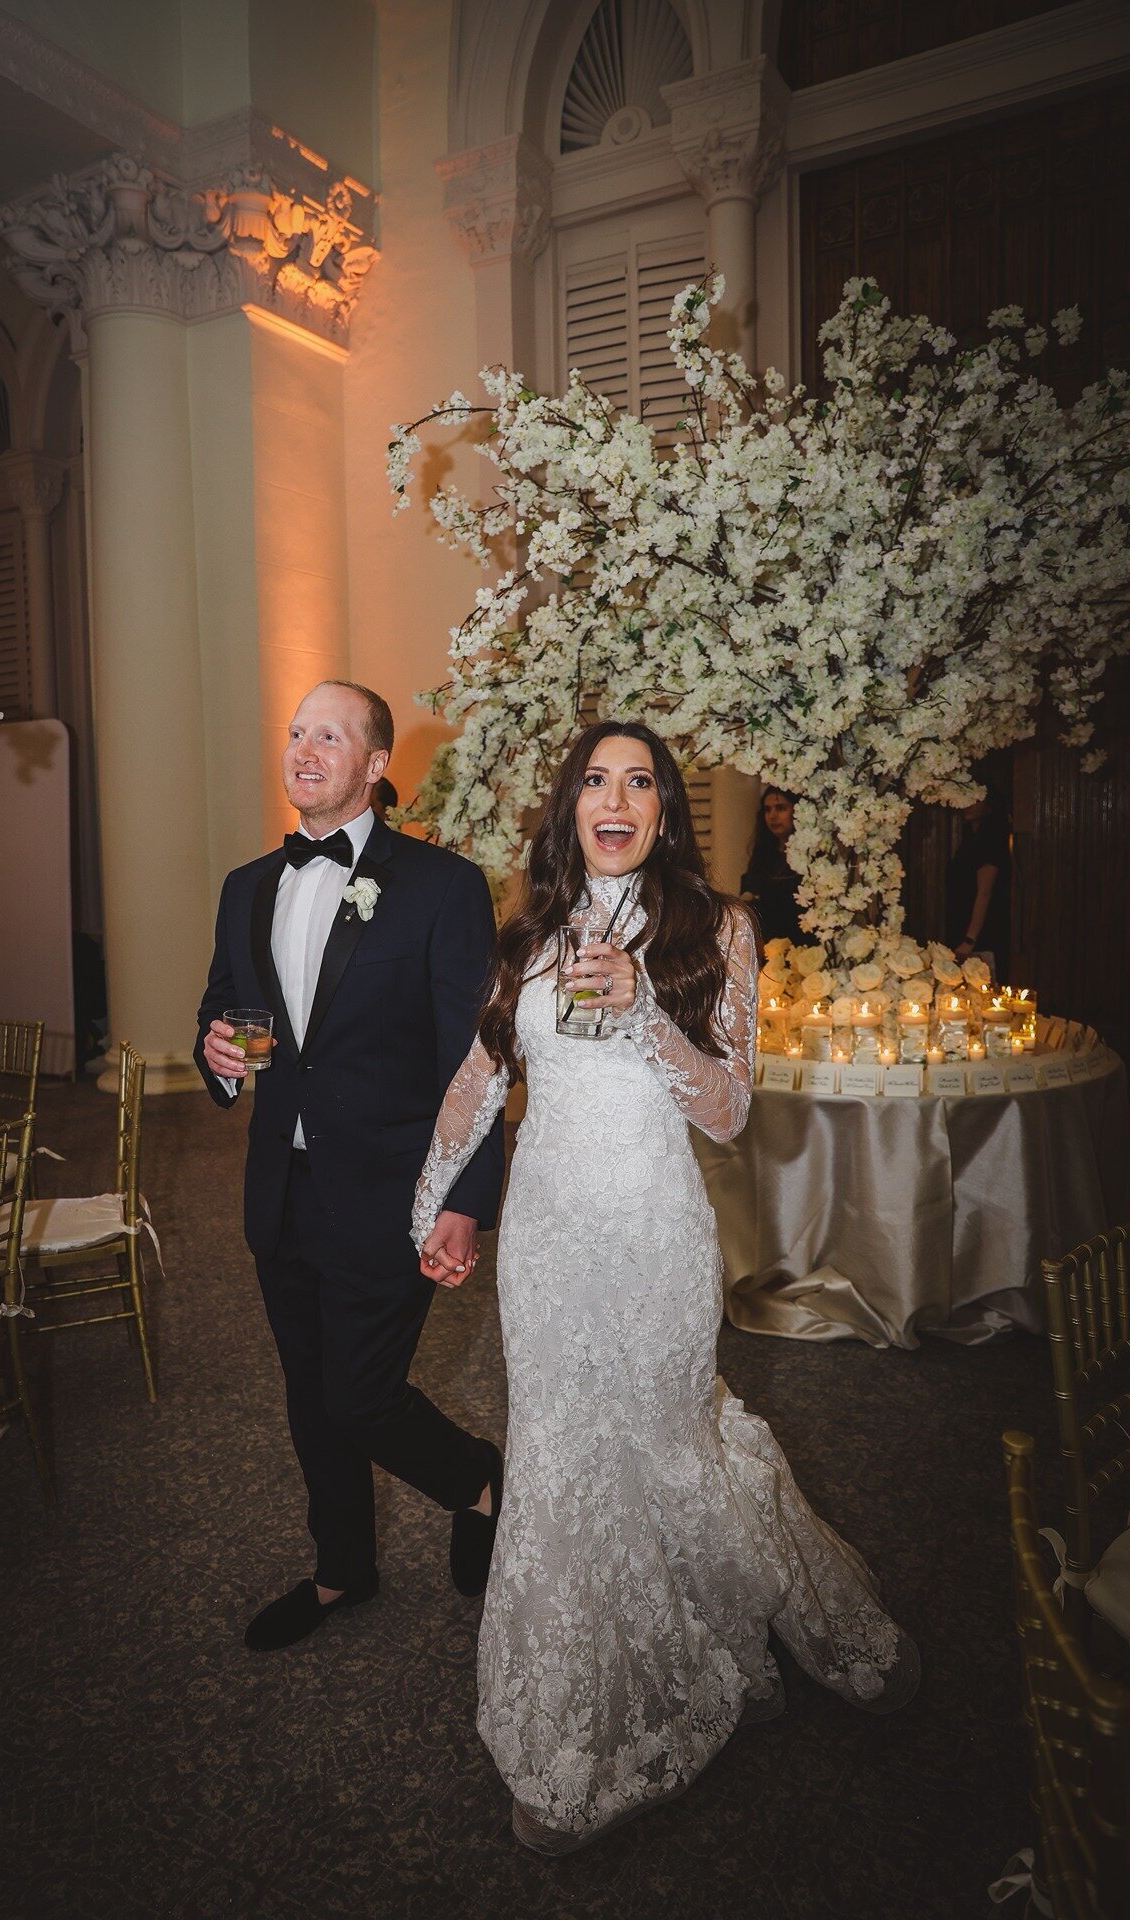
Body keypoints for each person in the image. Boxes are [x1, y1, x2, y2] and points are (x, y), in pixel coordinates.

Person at [412, 720, 918, 1855]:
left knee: (668, 1439)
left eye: (639, 782)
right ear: (568, 807)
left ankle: (764, 1628)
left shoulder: (717, 929)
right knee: (558, 1455)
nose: (615, 799)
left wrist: (644, 1009)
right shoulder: (528, 932)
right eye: (595, 780)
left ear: (662, 812)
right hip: (547, 1243)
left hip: (653, 1237)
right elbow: (479, 1076)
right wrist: (434, 1201)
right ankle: (571, 1728)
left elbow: (729, 1115)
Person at [196, 681, 505, 1651]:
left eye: (328, 736)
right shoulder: (247, 886)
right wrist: (219, 1054)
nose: (303, 749)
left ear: (375, 766)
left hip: (391, 1189)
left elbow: (474, 1057)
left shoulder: (443, 886)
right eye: (296, 732)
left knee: (360, 1395)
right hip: (281, 1192)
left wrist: (464, 1198)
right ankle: (342, 1571)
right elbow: (231, 1011)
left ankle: (478, 1480)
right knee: (309, 1393)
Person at [945, 786, 1012, 979]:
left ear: (989, 804)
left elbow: (985, 893)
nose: (968, 804)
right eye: (966, 798)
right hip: (963, 922)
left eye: (975, 800)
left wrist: (970, 939)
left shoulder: (991, 840)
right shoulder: (970, 839)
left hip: (979, 930)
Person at [740, 786, 803, 943]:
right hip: (769, 946)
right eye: (767, 810)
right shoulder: (763, 855)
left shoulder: (810, 857)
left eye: (780, 808)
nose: (772, 816)